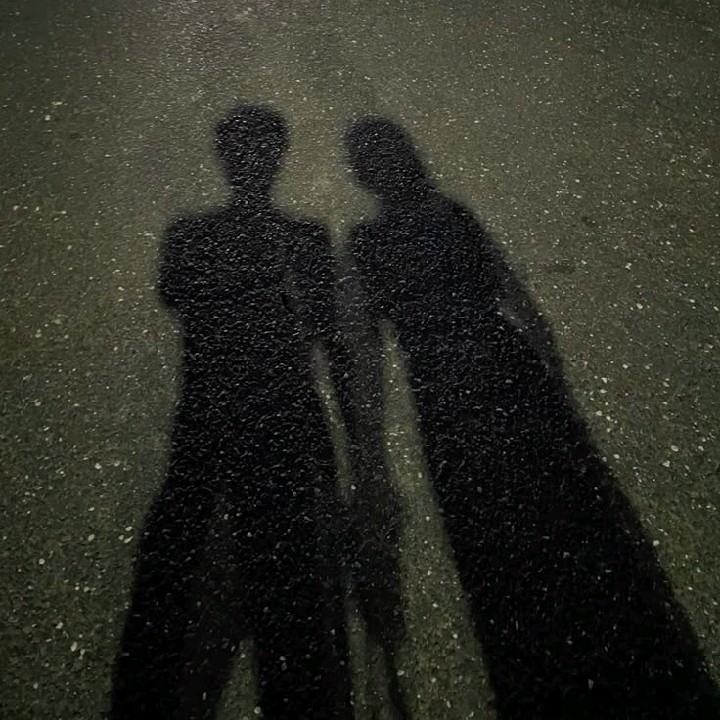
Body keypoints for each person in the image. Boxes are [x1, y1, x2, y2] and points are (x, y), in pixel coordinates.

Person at [346, 116, 719, 718]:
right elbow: (517, 299)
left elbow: (367, 355)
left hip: (443, 389)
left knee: (491, 531)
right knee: (567, 507)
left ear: (363, 176)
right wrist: (556, 383)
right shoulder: (452, 215)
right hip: (507, 366)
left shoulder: (366, 243)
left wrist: (370, 456)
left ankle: (543, 660)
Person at [109, 106, 353, 720]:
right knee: (286, 570)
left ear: (224, 159)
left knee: (180, 550)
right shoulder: (304, 238)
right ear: (278, 160)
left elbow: (174, 292)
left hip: (214, 405)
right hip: (280, 407)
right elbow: (326, 330)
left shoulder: (191, 235)